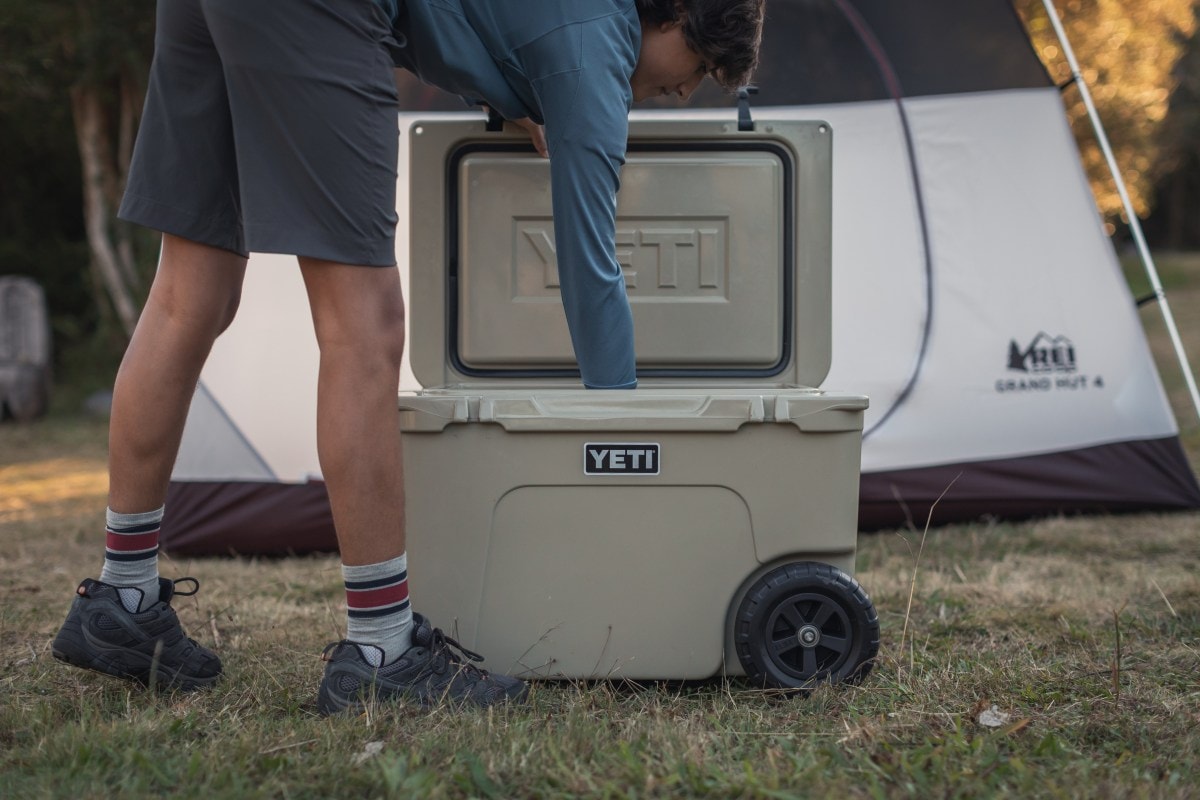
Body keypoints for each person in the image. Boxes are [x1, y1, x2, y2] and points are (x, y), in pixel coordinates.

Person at [51, 0, 764, 714]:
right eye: (697, 67)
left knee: (190, 298)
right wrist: (622, 429)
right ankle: (382, 648)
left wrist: (512, 92)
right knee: (366, 323)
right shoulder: (598, 50)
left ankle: (125, 593)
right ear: (671, 17)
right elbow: (590, 267)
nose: (684, 91)